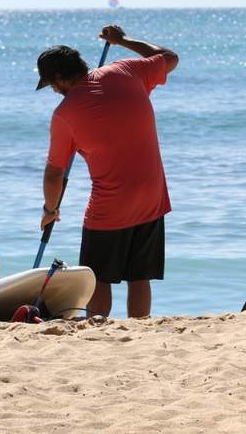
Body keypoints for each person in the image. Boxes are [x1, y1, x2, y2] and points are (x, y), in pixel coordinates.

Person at [37, 25, 178, 318]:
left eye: (52, 83)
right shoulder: (125, 70)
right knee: (139, 276)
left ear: (62, 78)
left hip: (110, 207)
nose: (53, 90)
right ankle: (139, 328)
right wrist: (123, 41)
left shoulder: (65, 113)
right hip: (152, 195)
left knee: (98, 277)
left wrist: (50, 209)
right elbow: (169, 57)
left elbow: (54, 174)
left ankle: (98, 329)